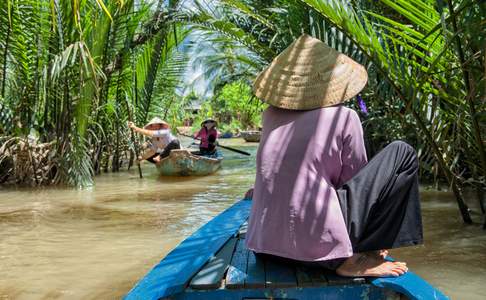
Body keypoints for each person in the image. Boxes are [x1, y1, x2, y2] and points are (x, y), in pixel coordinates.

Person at [244, 34, 422, 278]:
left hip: (264, 246)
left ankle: (352, 250)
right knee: (403, 152)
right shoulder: (344, 117)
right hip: (321, 253)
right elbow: (356, 182)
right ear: (330, 82)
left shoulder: (270, 116)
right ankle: (354, 258)